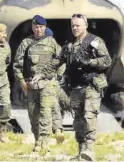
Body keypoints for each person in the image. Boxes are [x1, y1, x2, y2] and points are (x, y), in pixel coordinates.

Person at [42, 14, 112, 161]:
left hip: (91, 85)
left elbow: (106, 60)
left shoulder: (95, 41)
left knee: (89, 115)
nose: (75, 28)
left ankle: (89, 150)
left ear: (85, 25)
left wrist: (90, 62)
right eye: (73, 25)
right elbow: (57, 62)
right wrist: (42, 74)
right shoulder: (69, 45)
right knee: (78, 120)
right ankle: (81, 152)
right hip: (75, 87)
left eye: (78, 25)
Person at [13, 15, 61, 152]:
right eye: (36, 27)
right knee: (33, 114)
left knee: (46, 111)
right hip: (31, 85)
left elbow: (61, 60)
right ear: (32, 28)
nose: (38, 29)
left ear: (45, 27)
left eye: (41, 27)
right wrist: (22, 82)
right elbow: (17, 65)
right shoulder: (26, 43)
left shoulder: (52, 43)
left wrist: (57, 77)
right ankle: (37, 139)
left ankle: (44, 141)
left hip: (47, 84)